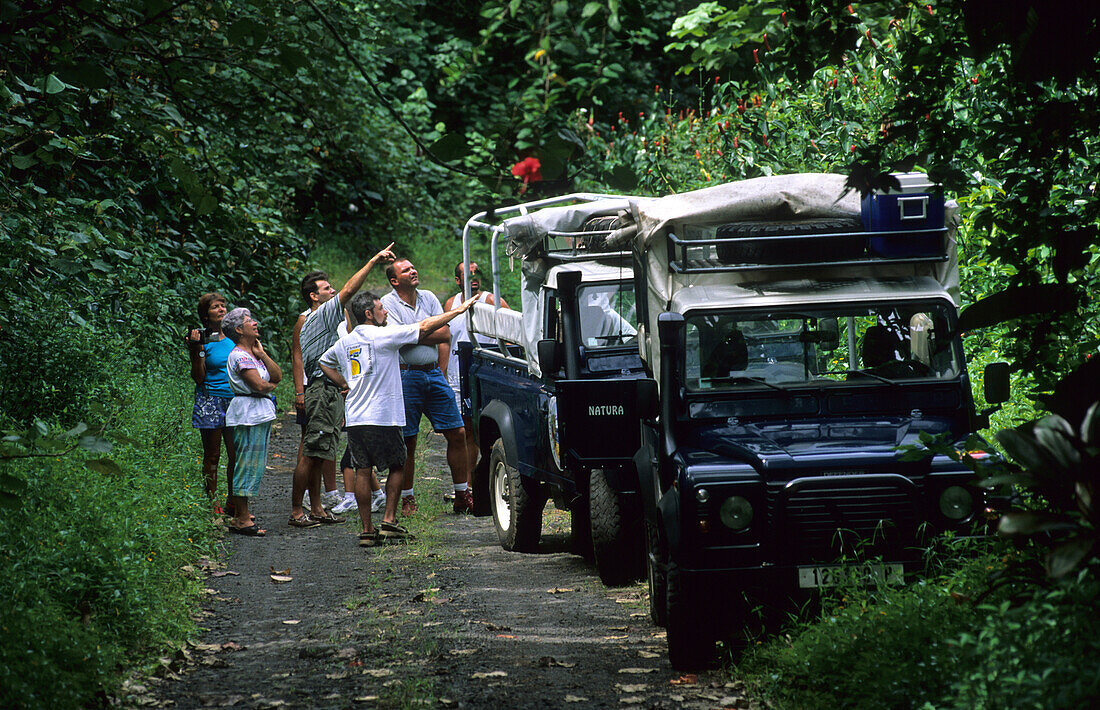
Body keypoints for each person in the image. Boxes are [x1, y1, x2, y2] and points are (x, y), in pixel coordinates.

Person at [319, 290, 478, 544]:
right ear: (369, 314)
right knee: (397, 464)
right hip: (384, 415)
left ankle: (366, 531)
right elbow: (425, 326)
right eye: (381, 308)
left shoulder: (345, 341)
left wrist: (344, 382)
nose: (386, 312)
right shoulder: (385, 335)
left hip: (357, 416)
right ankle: (389, 520)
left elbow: (324, 362)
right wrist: (457, 312)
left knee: (362, 470)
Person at [291, 243, 395, 528]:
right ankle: (297, 511)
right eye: (326, 289)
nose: (333, 291)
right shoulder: (318, 314)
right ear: (314, 296)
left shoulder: (331, 317)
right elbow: (350, 291)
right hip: (320, 389)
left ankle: (316, 508)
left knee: (320, 450)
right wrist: (373, 260)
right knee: (311, 451)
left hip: (329, 388)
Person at [380, 259, 472, 515]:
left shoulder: (429, 297)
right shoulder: (388, 304)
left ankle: (462, 493)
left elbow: (445, 334)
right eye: (406, 270)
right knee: (408, 439)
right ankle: (407, 498)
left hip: (433, 373)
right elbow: (398, 339)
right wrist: (417, 333)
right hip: (406, 376)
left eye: (412, 267)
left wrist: (415, 333)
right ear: (394, 280)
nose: (413, 271)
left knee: (458, 432)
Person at [442, 262, 507, 497]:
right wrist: (443, 375)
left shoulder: (491, 301)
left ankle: (489, 483)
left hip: (485, 374)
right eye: (467, 276)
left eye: (476, 274)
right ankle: (467, 486)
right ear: (458, 280)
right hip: (458, 375)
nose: (474, 279)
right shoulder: (451, 304)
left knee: (487, 428)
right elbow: (445, 340)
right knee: (465, 430)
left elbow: (510, 339)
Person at [221, 307, 283, 535]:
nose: (255, 323)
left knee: (253, 464)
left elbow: (276, 375)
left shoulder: (252, 354)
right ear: (239, 329)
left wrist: (263, 354)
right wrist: (269, 387)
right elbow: (259, 385)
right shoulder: (238, 356)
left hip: (257, 412)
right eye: (249, 321)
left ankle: (241, 513)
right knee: (246, 464)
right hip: (247, 414)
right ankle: (242, 518)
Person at [187, 292, 237, 514]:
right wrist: (196, 350)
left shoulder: (234, 336)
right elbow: (198, 376)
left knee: (236, 454)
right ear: (205, 315)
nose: (221, 309)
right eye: (216, 307)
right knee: (213, 455)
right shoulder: (202, 339)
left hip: (235, 400)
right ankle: (212, 502)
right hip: (210, 399)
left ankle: (234, 502)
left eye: (223, 306)